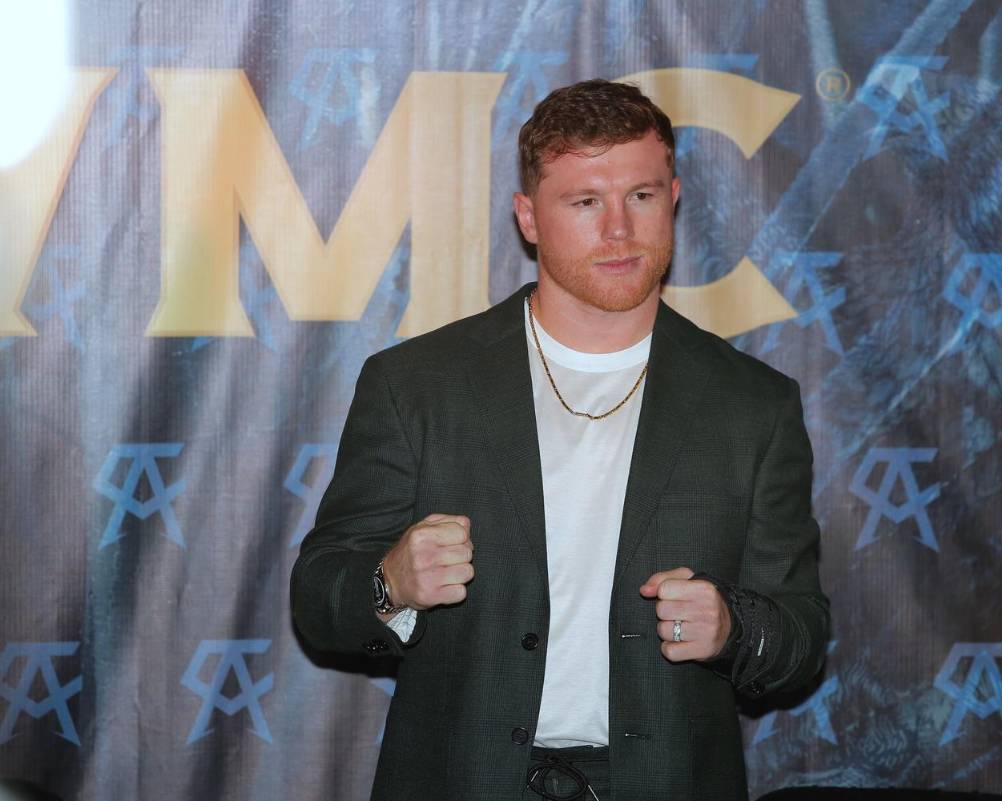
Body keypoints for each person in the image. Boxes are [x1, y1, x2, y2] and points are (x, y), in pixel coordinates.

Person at [290, 78, 830, 801]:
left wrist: (734, 627)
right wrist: (392, 582)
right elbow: (318, 600)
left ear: (672, 198)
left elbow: (800, 636)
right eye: (584, 202)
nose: (619, 230)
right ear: (529, 218)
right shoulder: (416, 384)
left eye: (641, 195)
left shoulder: (753, 404)